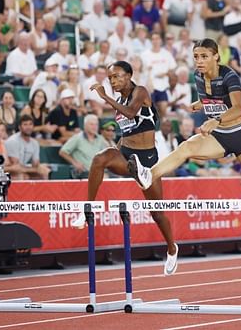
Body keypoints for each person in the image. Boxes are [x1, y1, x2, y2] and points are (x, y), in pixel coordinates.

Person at [128, 39, 241, 219]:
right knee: (186, 147)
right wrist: (201, 104)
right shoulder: (198, 75)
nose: (199, 61)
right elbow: (214, 97)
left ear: (216, 57)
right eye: (196, 57)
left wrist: (216, 120)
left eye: (204, 56)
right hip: (219, 137)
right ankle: (148, 175)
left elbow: (239, 108)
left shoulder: (229, 76)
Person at [72, 61, 178, 276]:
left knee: (157, 214)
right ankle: (87, 209)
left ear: (129, 75)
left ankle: (172, 248)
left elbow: (131, 113)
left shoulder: (140, 92)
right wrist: (116, 152)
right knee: (100, 158)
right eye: (110, 78)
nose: (113, 81)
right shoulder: (119, 101)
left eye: (118, 76)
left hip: (148, 160)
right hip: (127, 154)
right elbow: (126, 133)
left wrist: (104, 97)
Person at [59, 114, 108, 179]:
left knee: (118, 176)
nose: (94, 127)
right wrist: (75, 163)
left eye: (96, 125)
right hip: (83, 172)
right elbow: (62, 152)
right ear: (85, 126)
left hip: (99, 171)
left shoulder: (100, 139)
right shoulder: (77, 138)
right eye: (91, 124)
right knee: (104, 177)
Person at [4, 114, 51, 180]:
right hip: (8, 171)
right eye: (25, 124)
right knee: (23, 176)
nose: (28, 127)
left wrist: (41, 168)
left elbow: (35, 164)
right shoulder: (13, 141)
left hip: (22, 169)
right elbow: (16, 167)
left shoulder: (34, 143)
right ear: (20, 127)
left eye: (30, 124)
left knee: (43, 173)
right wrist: (36, 169)